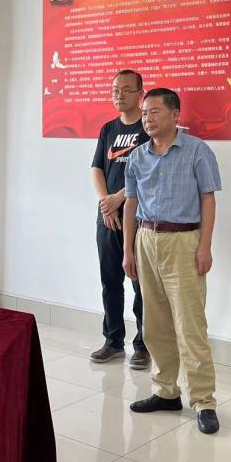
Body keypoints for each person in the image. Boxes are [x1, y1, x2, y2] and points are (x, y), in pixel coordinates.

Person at [122, 88, 222, 435]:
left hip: (184, 240)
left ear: (175, 115)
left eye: (154, 112)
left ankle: (204, 401)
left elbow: (208, 199)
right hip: (146, 239)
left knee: (190, 324)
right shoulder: (137, 156)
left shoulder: (197, 151)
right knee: (154, 323)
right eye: (144, 113)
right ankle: (165, 391)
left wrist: (205, 246)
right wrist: (128, 250)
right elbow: (131, 204)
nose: (147, 119)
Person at [90, 70, 150, 368]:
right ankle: (113, 341)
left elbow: (150, 172)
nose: (119, 95)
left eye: (127, 90)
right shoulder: (108, 129)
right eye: (115, 90)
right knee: (110, 281)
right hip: (108, 217)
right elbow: (97, 169)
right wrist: (107, 203)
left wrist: (119, 198)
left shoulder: (147, 127)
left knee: (141, 285)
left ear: (140, 93)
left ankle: (143, 345)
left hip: (138, 217)